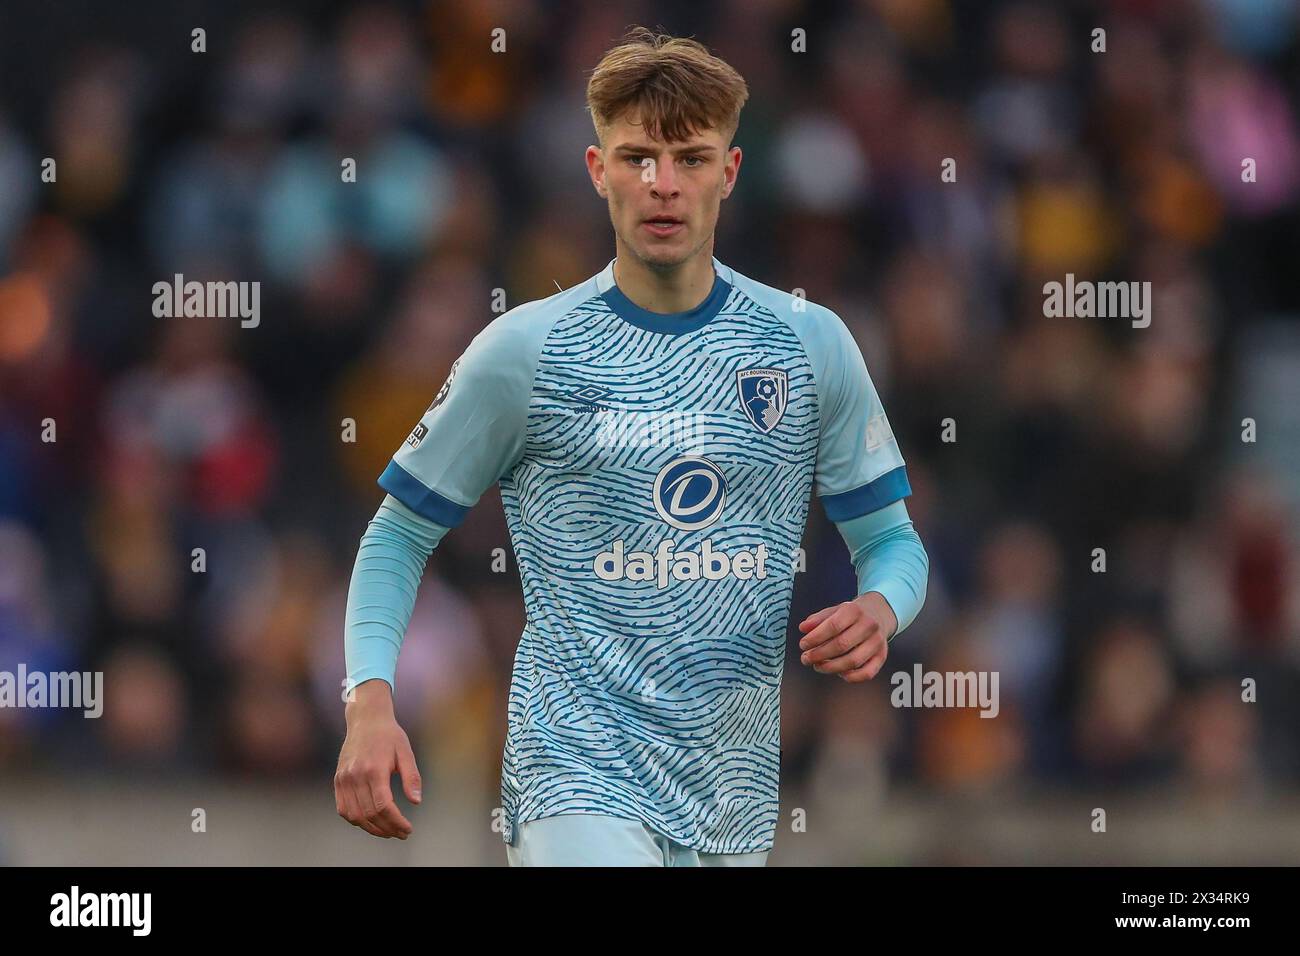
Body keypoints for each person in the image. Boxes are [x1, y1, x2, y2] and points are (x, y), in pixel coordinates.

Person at [334, 26, 928, 867]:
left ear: (729, 172)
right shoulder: (524, 352)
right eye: (638, 156)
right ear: (596, 170)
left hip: (733, 794)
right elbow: (398, 532)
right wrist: (368, 700)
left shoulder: (809, 345)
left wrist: (881, 609)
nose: (663, 185)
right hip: (572, 771)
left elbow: (893, 542)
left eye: (690, 158)